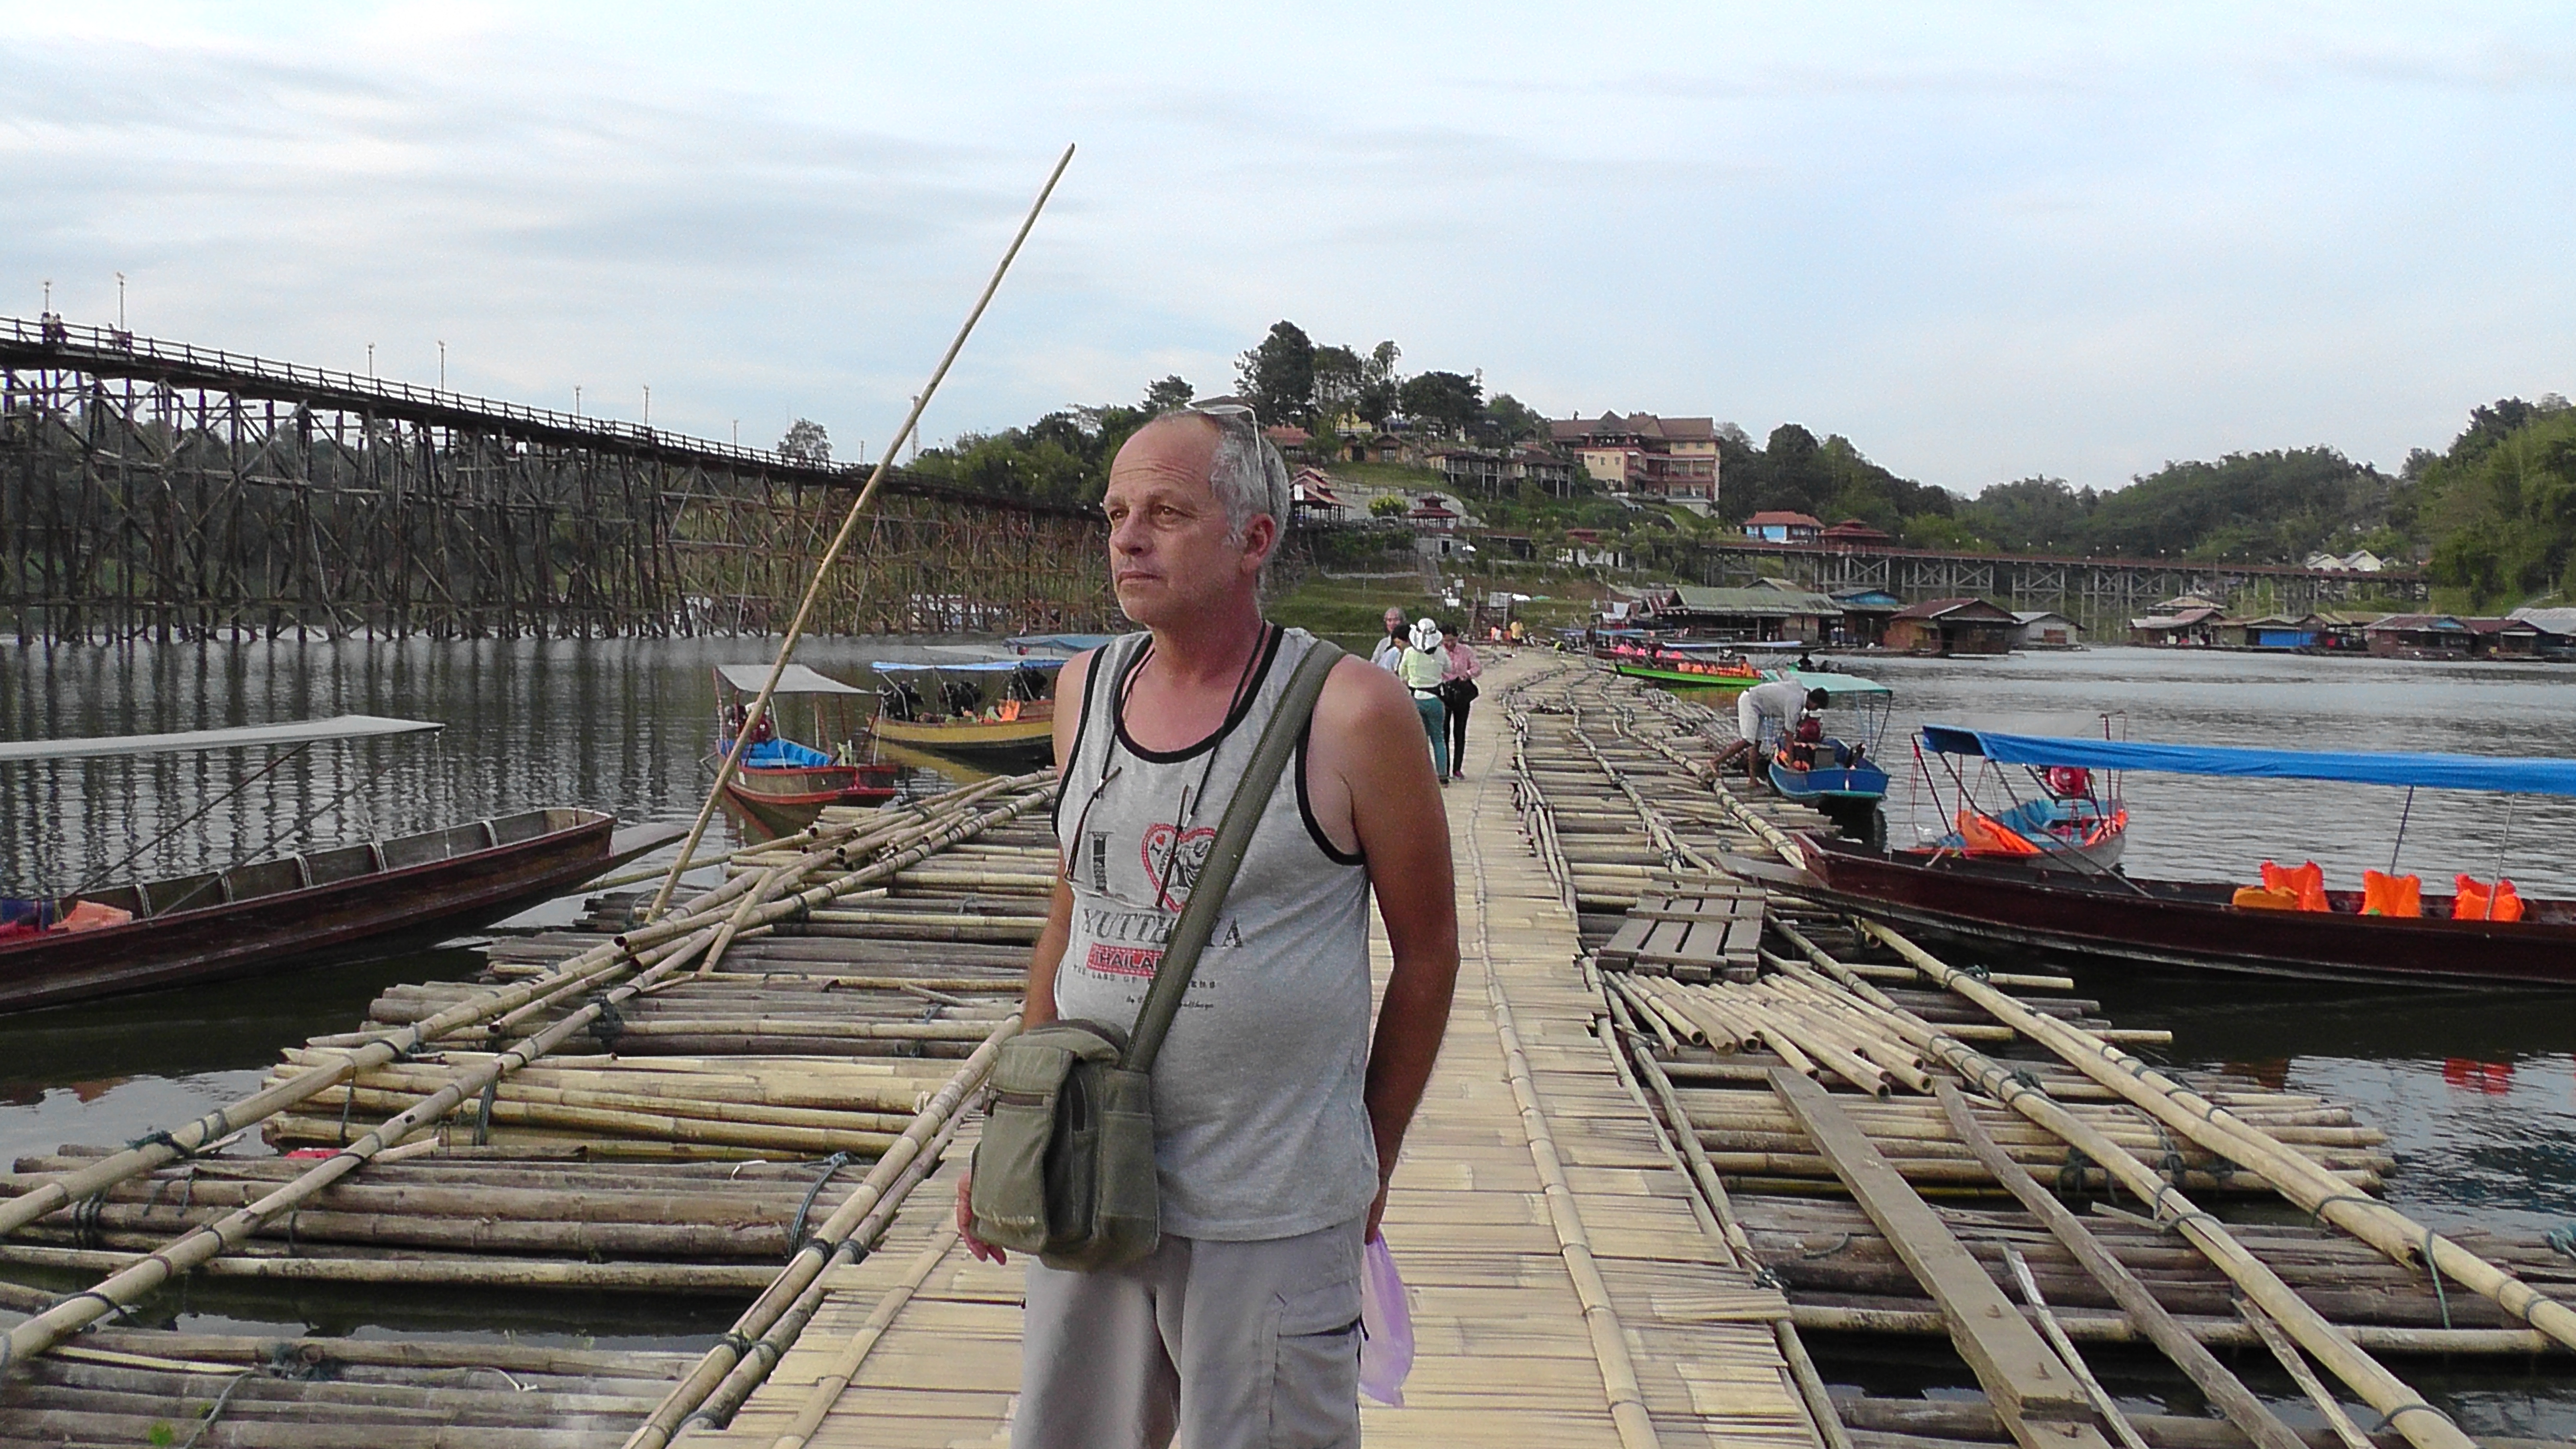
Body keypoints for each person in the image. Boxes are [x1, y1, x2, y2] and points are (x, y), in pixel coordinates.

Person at [957, 402, 1460, 1449]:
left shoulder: (1351, 711)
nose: (1128, 538)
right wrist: (1017, 1119)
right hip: (1086, 1178)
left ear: (1253, 540)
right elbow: (1073, 904)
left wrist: (1368, 1157)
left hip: (1269, 1203)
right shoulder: (1082, 690)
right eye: (1115, 513)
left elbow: (1428, 956)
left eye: (1167, 513)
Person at [1737, 680, 1828, 781]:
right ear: (1814, 703)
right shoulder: (1795, 706)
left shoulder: (1798, 687)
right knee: (1749, 741)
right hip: (1750, 702)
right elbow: (1789, 739)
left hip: (1760, 706)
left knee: (1757, 743)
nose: (1814, 710)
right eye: (1817, 708)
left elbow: (1785, 674)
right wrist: (1791, 766)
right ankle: (1716, 763)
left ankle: (1753, 780)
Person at [1398, 616, 1451, 782]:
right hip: (1435, 698)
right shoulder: (1441, 652)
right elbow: (1449, 669)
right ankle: (1443, 775)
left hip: (1416, 699)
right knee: (1439, 738)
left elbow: (1402, 674)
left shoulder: (1409, 653)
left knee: (1420, 739)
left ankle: (1420, 774)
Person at [1437, 621, 1482, 781]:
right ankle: (1444, 768)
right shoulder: (1437, 652)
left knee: (1460, 731)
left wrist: (1468, 674)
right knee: (1444, 733)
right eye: (1446, 641)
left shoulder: (1465, 651)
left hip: (1462, 692)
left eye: (1452, 640)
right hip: (1444, 694)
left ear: (1457, 638)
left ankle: (1457, 768)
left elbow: (1478, 667)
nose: (1449, 644)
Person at [1369, 606, 1407, 672]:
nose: (1392, 623)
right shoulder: (1383, 643)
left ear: (1402, 621)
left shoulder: (1408, 643)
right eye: (1389, 620)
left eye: (1396, 620)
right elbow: (1373, 664)